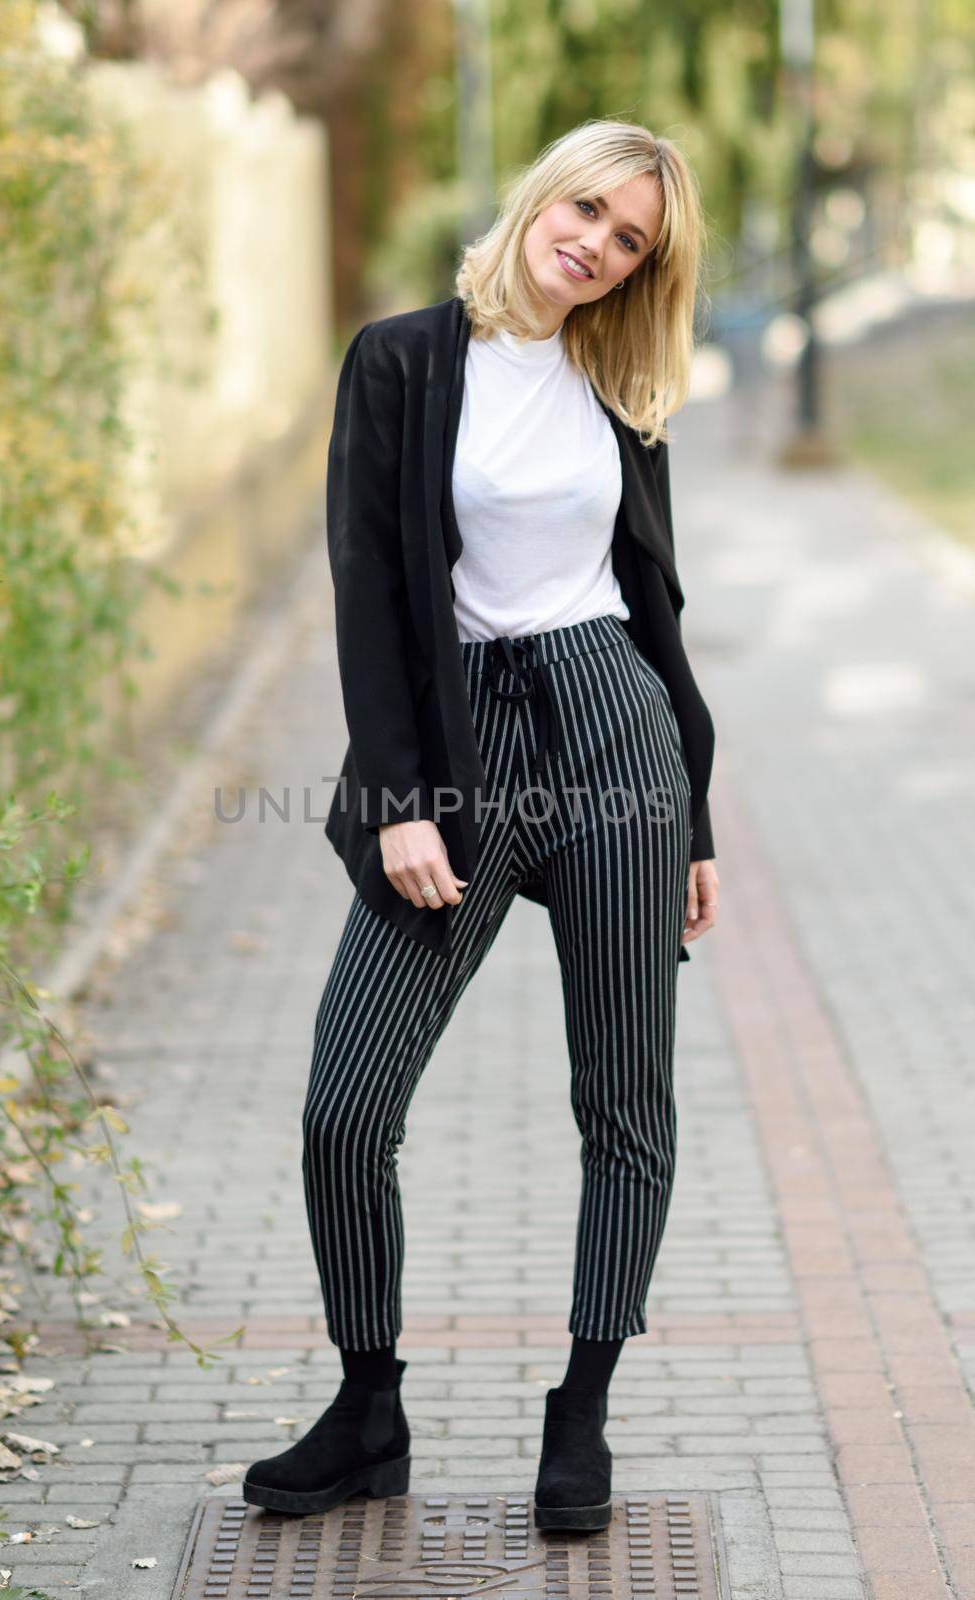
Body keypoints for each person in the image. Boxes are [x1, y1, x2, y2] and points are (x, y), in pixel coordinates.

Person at [244, 116, 720, 1531]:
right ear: (539, 194)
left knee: (622, 1100)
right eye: (588, 208)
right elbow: (369, 589)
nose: (596, 243)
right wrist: (397, 801)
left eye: (630, 239)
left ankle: (582, 1417)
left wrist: (689, 811)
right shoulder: (400, 360)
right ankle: (367, 1404)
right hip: (460, 748)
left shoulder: (620, 386)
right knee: (346, 1107)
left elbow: (656, 601)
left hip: (614, 730)